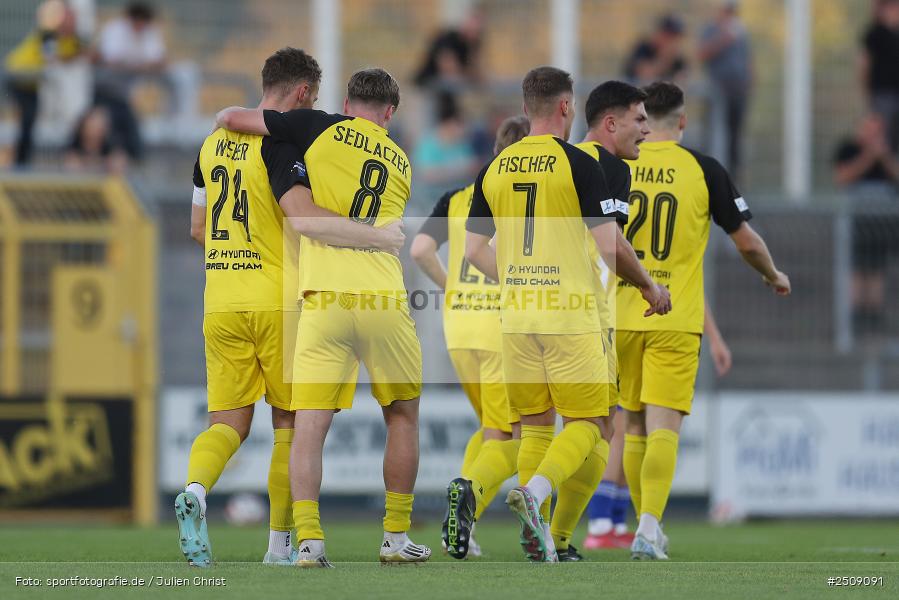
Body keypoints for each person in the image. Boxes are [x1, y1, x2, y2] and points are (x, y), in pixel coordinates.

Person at [176, 49, 404, 569]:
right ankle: (279, 544)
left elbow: (197, 228)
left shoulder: (209, 147)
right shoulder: (277, 144)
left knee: (227, 423)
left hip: (221, 300)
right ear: (303, 92)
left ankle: (196, 489)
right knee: (290, 424)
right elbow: (300, 215)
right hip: (281, 302)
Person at [465, 66, 671, 562]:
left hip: (516, 318)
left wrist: (518, 278)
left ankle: (536, 540)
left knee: (535, 427)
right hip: (571, 314)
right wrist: (646, 285)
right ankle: (537, 497)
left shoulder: (495, 168)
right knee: (594, 424)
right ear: (565, 107)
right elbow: (608, 246)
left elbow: (473, 250)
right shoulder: (578, 163)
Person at [620, 81, 790, 560]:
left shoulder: (618, 164)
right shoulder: (702, 169)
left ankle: (644, 525)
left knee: (632, 428)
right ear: (683, 121)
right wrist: (773, 275)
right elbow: (748, 242)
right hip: (675, 316)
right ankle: (649, 527)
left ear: (641, 119)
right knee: (664, 427)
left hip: (620, 314)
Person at [410, 115, 530, 560]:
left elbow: (420, 250)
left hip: (458, 327)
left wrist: (450, 286)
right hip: (501, 327)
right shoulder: (520, 200)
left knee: (492, 428)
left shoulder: (457, 197)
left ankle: (461, 521)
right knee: (515, 436)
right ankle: (468, 500)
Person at [833, 112, 899, 335]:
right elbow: (842, 178)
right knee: (857, 266)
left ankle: (873, 313)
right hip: (856, 220)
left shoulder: (888, 154)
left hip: (881, 222)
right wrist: (868, 157)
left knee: (876, 267)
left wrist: (884, 157)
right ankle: (856, 313)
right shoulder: (848, 150)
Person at [4, 0, 82, 167]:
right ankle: (20, 162)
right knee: (26, 119)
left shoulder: (68, 39)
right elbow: (51, 57)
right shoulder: (49, 34)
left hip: (32, 83)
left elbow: (74, 54)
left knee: (30, 121)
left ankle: (22, 161)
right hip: (20, 76)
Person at [94, 2, 167, 160]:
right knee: (107, 135)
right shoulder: (116, 30)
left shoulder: (148, 33)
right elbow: (112, 59)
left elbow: (159, 60)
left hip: (124, 96)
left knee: (133, 139)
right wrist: (139, 65)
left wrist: (136, 65)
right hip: (104, 92)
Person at [698, 0, 753, 173]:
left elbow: (747, 60)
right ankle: (710, 172)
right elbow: (702, 54)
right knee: (714, 133)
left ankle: (734, 176)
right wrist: (723, 39)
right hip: (718, 93)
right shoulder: (711, 30)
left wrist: (749, 81)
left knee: (735, 135)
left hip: (738, 91)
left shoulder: (741, 32)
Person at [412, 92, 479, 214]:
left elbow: (473, 167)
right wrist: (459, 169)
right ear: (449, 123)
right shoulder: (429, 143)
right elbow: (427, 174)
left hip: (456, 200)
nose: (464, 129)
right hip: (429, 201)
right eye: (460, 125)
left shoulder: (461, 144)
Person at [860, 0, 899, 150]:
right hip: (883, 94)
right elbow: (864, 65)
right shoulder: (874, 33)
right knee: (883, 135)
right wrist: (867, 91)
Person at [413, 8, 484, 89]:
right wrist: (469, 75)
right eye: (473, 28)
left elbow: (477, 72)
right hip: (426, 84)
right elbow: (448, 70)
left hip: (446, 88)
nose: (475, 33)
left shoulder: (471, 44)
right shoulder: (448, 38)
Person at [623, 14, 688, 85]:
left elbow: (682, 82)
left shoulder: (677, 58)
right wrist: (665, 59)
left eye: (675, 37)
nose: (672, 41)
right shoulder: (643, 48)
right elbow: (645, 76)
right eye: (669, 35)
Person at [63, 106, 127, 174]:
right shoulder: (71, 150)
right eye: (91, 126)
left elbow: (120, 162)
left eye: (98, 127)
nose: (94, 132)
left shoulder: (112, 149)